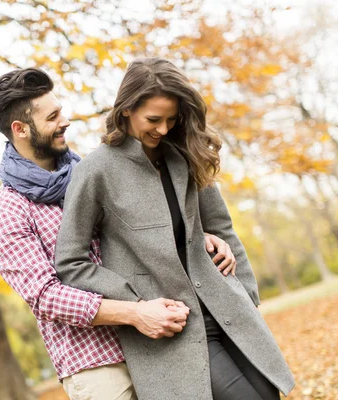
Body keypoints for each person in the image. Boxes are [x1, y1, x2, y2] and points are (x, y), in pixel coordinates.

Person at [0, 67, 239, 400]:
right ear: (20, 129)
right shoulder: (7, 210)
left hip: (158, 343)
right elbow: (45, 296)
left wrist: (197, 237)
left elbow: (146, 230)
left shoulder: (94, 172)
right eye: (53, 117)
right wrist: (135, 314)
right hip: (97, 363)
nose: (66, 121)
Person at [53, 57, 295, 400]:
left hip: (226, 306)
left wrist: (248, 297)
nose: (163, 130)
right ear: (125, 110)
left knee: (268, 395)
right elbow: (70, 262)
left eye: (171, 119)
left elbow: (221, 228)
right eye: (153, 119)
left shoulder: (184, 154)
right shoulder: (95, 171)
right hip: (174, 330)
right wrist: (137, 301)